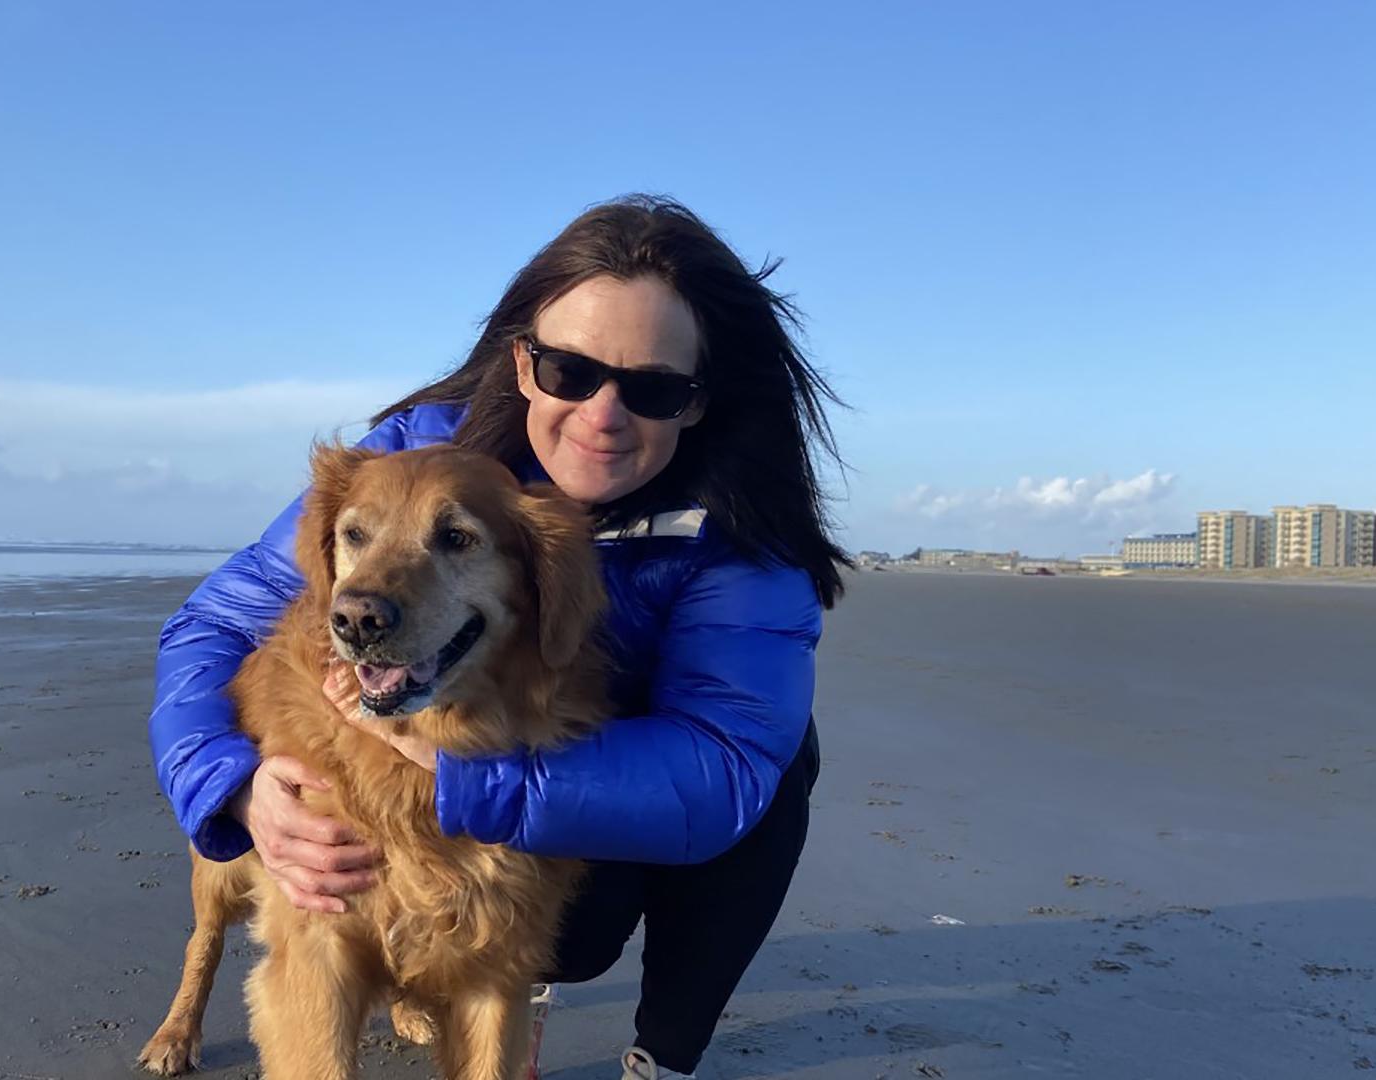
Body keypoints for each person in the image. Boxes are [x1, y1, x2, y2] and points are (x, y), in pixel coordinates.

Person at [149, 194, 850, 1080]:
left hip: (582, 779)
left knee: (784, 762)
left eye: (653, 388)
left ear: (700, 402)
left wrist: (468, 776)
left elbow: (726, 759)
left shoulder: (745, 535)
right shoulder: (414, 456)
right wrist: (234, 786)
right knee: (312, 914)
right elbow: (217, 621)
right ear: (522, 361)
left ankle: (663, 1056)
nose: (602, 414)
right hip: (500, 759)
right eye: (568, 369)